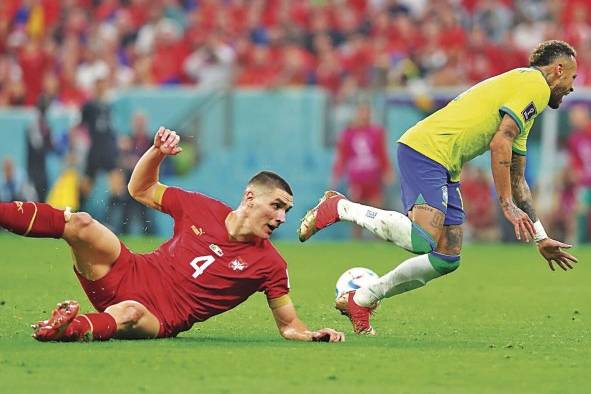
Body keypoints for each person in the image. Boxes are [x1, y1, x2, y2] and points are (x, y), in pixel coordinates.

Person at [298, 40, 579, 335]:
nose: (572, 86)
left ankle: (363, 298)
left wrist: (540, 237)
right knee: (422, 240)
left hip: (445, 165)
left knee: (447, 258)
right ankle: (340, 206)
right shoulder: (534, 84)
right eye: (573, 77)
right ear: (558, 69)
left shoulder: (525, 104)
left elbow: (517, 178)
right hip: (426, 150)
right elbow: (500, 144)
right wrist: (505, 204)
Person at [0, 127, 344, 343]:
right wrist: (156, 153)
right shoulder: (200, 207)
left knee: (130, 312)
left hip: (157, 316)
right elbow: (141, 188)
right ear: (250, 198)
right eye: (278, 206)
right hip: (129, 271)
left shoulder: (271, 264)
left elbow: (288, 324)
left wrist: (312, 334)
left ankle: (63, 330)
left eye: (287, 211)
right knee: (82, 224)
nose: (282, 217)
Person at [331, 103, 394, 239]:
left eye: (366, 113)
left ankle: (379, 239)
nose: (364, 116)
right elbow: (343, 156)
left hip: (373, 178)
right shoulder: (348, 134)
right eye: (361, 113)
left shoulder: (376, 132)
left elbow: (381, 153)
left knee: (377, 210)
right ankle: (357, 240)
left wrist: (387, 170)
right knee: (356, 211)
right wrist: (336, 174)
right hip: (356, 178)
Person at [566, 104, 591, 243]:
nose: (573, 120)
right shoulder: (574, 139)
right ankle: (574, 242)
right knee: (577, 209)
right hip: (585, 183)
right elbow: (575, 162)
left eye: (575, 117)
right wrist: (575, 173)